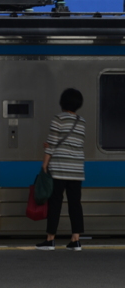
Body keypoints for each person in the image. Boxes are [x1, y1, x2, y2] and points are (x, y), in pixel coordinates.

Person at [36, 88, 86, 251]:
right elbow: (76, 144)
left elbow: (51, 145)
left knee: (55, 203)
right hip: (77, 169)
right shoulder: (81, 122)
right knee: (75, 204)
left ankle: (50, 240)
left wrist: (44, 165)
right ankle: (76, 240)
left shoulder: (58, 119)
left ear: (62, 102)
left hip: (59, 168)